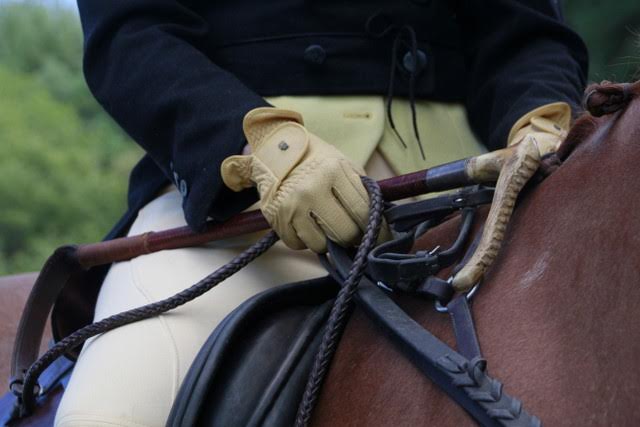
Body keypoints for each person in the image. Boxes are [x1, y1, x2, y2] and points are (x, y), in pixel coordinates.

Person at [55, 1, 587, 426]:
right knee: (110, 410)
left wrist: (538, 118)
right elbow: (131, 34)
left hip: (471, 188)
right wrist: (261, 146)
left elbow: (528, 31)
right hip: (241, 192)